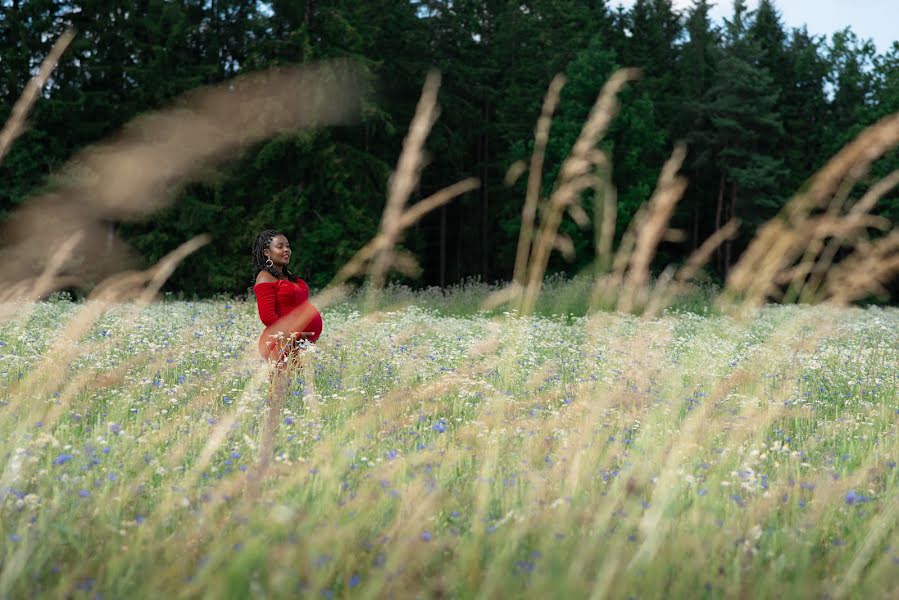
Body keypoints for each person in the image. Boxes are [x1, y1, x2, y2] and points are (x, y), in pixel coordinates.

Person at [252, 229, 323, 368]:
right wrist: (296, 334)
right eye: (280, 246)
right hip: (281, 343)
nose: (286, 250)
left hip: (298, 343)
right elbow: (267, 317)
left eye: (288, 246)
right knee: (283, 387)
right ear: (267, 252)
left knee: (298, 386)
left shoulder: (288, 275)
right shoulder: (264, 277)